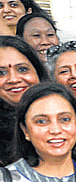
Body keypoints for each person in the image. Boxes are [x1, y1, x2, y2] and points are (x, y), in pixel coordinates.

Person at [0, 36, 47, 165]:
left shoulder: (64, 113)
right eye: (1, 73)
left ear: (38, 71)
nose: (14, 79)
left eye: (22, 69)